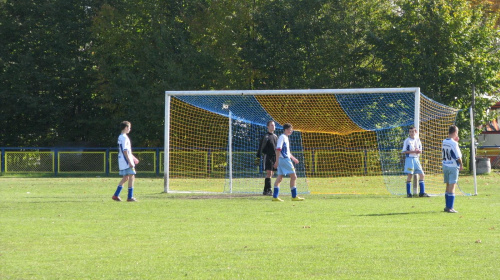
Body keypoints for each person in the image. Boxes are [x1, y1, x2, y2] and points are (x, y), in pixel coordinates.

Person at [272, 123, 304, 202]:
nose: (291, 131)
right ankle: (294, 196)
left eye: (291, 129)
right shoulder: (282, 137)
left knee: (279, 178)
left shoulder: (285, 137)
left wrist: (293, 158)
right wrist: (277, 161)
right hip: (284, 160)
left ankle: (275, 197)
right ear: (285, 130)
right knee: (294, 177)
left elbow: (287, 152)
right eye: (290, 129)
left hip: (283, 159)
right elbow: (278, 149)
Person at [112, 121, 138, 202]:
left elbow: (126, 150)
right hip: (126, 161)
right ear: (126, 127)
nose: (130, 129)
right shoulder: (124, 137)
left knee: (126, 177)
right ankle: (130, 197)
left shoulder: (121, 137)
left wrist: (133, 157)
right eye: (129, 128)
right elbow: (125, 151)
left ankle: (116, 195)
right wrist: (130, 161)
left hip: (123, 160)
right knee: (131, 176)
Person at [402, 126, 429, 197]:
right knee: (410, 175)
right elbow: (404, 151)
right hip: (409, 159)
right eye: (410, 132)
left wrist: (419, 151)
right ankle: (408, 193)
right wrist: (413, 151)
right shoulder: (407, 141)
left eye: (413, 131)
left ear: (415, 132)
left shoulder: (417, 139)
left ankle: (422, 193)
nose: (411, 133)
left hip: (416, 159)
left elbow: (420, 149)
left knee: (422, 174)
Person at [442, 125, 463, 213]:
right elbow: (457, 156)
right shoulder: (454, 143)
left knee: (447, 185)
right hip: (453, 166)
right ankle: (450, 207)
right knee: (452, 185)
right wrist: (461, 164)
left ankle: (447, 206)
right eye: (457, 132)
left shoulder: (444, 141)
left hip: (445, 164)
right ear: (454, 132)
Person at [256, 120, 278, 196]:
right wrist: (258, 157)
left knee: (272, 173)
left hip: (274, 157)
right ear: (268, 126)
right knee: (269, 173)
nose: (273, 126)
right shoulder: (266, 136)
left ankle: (265, 190)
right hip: (267, 156)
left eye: (274, 125)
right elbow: (261, 147)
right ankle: (269, 190)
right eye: (271, 125)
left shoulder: (275, 136)